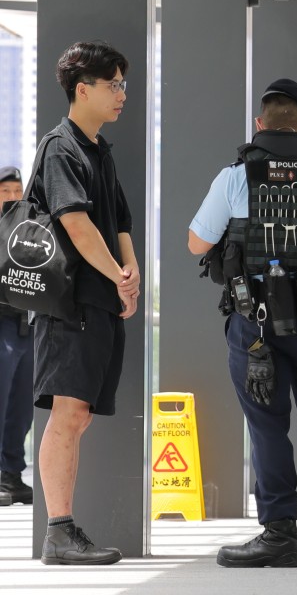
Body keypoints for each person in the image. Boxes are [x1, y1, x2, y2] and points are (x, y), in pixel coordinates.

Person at [188, 78, 297, 568]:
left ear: (260, 124)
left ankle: (279, 532)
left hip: (255, 322)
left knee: (267, 425)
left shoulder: (234, 177)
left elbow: (196, 244)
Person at [32, 41, 140, 564]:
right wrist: (120, 276)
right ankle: (58, 531)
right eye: (113, 84)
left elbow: (117, 219)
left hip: (97, 300)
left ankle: (63, 530)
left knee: (79, 415)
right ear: (83, 89)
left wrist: (130, 268)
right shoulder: (61, 147)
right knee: (68, 412)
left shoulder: (99, 149)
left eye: (123, 84)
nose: (123, 94)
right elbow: (75, 223)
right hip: (69, 303)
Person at [0, 166, 33, 508]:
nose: (11, 197)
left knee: (22, 406)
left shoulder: (29, 226)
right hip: (2, 324)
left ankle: (11, 473)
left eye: (15, 190)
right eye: (4, 191)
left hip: (28, 325)